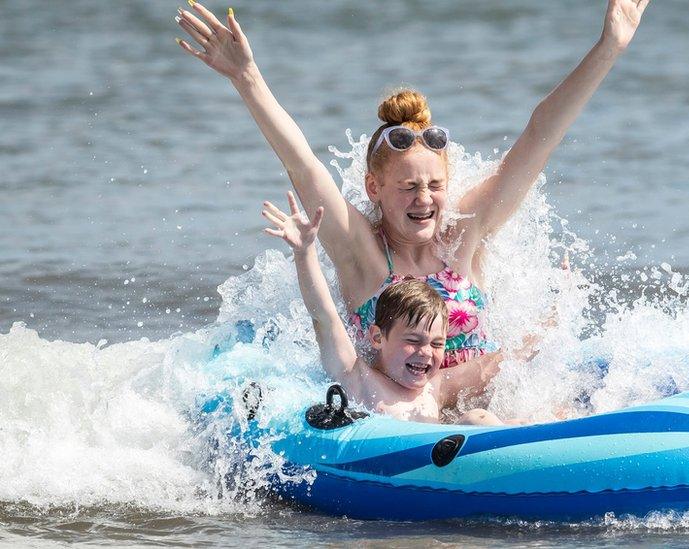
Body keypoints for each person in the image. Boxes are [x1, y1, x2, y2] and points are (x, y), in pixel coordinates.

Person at [175, 0, 650, 399]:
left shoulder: (467, 230)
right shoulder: (361, 251)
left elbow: (541, 133)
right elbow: (301, 163)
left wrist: (609, 47)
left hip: (484, 406)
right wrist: (247, 77)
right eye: (407, 187)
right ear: (374, 189)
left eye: (434, 186)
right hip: (400, 417)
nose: (424, 199)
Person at [262, 191, 507, 425]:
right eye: (414, 340)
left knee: (477, 419)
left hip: (438, 459)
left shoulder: (434, 387)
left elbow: (498, 364)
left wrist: (541, 337)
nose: (426, 352)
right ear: (378, 337)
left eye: (436, 344)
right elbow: (323, 317)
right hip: (383, 459)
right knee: (476, 420)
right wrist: (303, 252)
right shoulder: (357, 377)